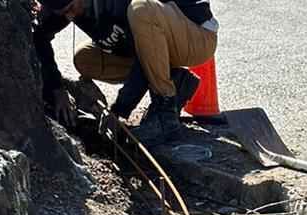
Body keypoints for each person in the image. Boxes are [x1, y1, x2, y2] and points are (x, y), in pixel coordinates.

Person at [33, 0, 217, 147]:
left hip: (196, 36)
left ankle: (165, 115)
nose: (70, 16)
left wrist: (120, 109)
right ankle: (175, 80)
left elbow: (142, 54)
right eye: (64, 13)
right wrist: (56, 88)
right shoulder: (69, 7)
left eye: (71, 8)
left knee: (141, 9)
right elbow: (39, 35)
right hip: (158, 40)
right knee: (85, 58)